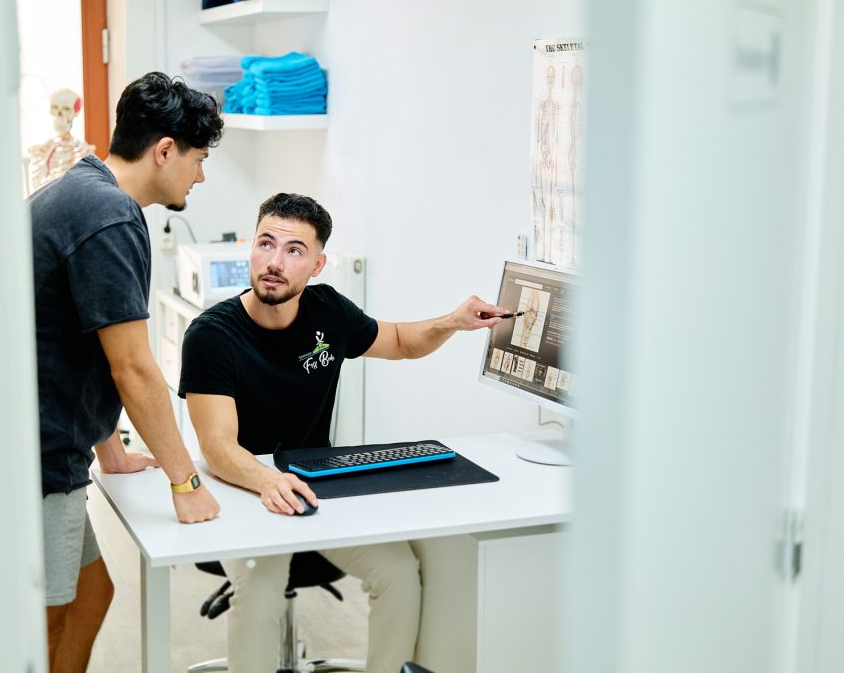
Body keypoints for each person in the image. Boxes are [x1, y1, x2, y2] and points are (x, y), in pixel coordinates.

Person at [179, 193, 513, 672]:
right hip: (245, 489)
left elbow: (398, 341)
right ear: (250, 247)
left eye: (294, 251)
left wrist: (452, 322)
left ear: (317, 265)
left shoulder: (327, 311)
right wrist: (268, 481)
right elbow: (217, 447)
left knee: (399, 570)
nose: (274, 262)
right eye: (265, 243)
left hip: (315, 488)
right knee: (259, 585)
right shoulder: (212, 336)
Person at [28, 72, 223, 673]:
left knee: (92, 595)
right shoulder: (109, 215)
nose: (201, 175)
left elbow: (79, 341)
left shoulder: (82, 190)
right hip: (40, 452)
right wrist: (185, 482)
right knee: (48, 617)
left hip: (51, 434)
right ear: (165, 149)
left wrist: (110, 451)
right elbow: (134, 366)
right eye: (198, 158)